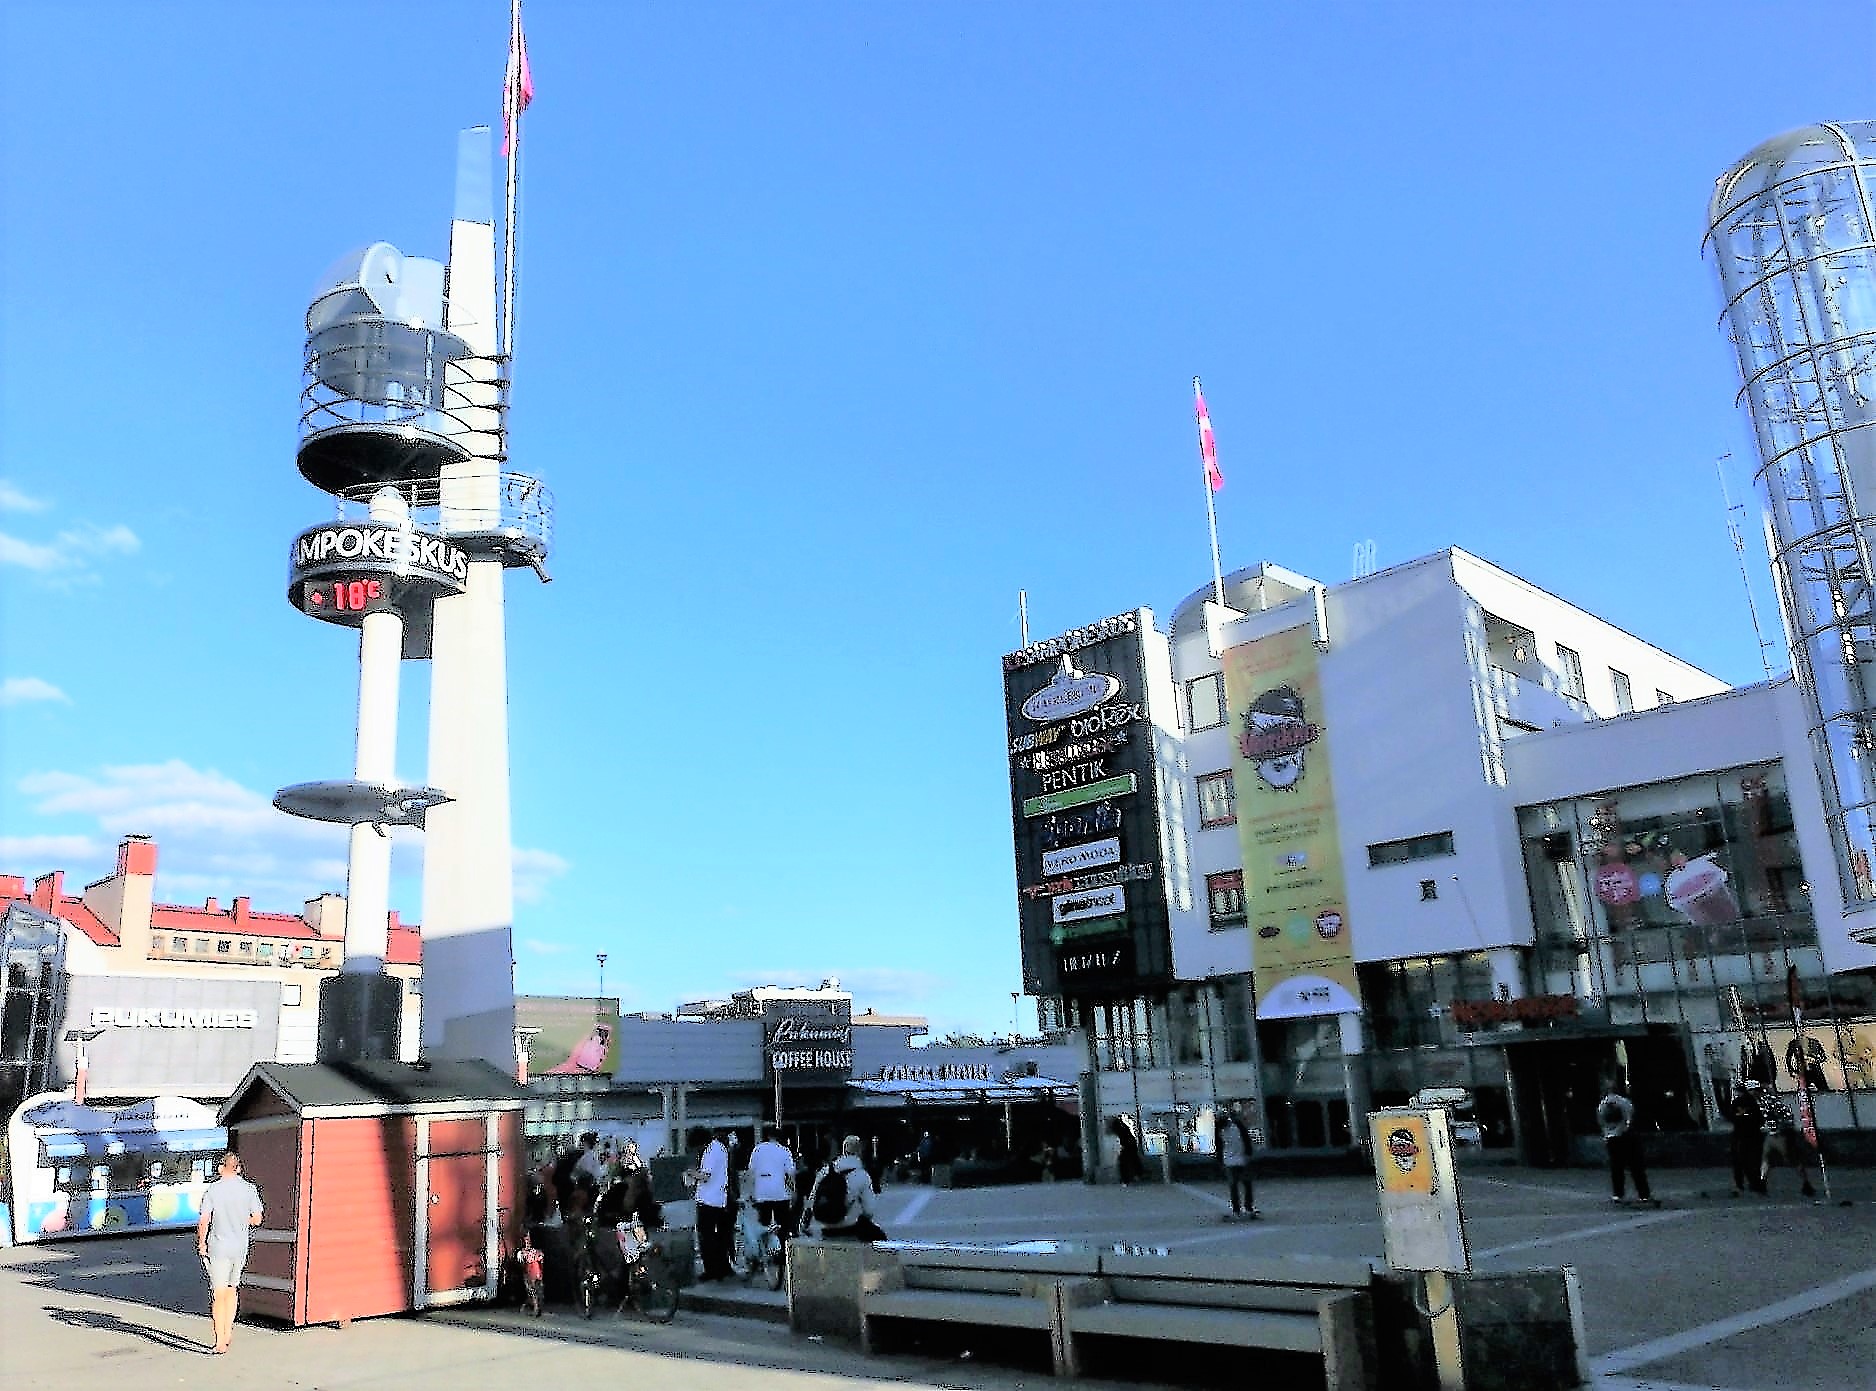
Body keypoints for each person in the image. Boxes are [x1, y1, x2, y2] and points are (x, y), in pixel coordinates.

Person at [195, 1149, 263, 1354]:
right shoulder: (249, 1189)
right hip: (240, 1247)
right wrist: (241, 1221)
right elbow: (257, 1219)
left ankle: (220, 1340)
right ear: (238, 1169)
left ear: (219, 1168)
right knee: (232, 1289)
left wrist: (201, 1243)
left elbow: (204, 1220)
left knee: (219, 1293)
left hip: (218, 1247)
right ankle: (228, 1330)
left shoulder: (213, 1190)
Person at [806, 1135, 886, 1242]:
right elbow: (869, 1210)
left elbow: (811, 1202)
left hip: (826, 1228)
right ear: (859, 1151)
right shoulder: (862, 1175)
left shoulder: (825, 1171)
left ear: (843, 1150)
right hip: (849, 1229)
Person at [1597, 1084, 1658, 1206]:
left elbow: (1601, 1122)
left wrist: (1607, 1133)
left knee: (1616, 1168)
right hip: (1626, 1137)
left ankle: (1618, 1194)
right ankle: (1644, 1194)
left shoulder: (1602, 1105)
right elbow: (1629, 1119)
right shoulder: (1624, 1102)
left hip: (1611, 1138)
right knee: (1636, 1167)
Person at [686, 1125, 733, 1281]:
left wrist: (691, 1173)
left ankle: (711, 1270)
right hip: (719, 1199)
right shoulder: (720, 1148)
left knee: (706, 1237)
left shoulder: (712, 1150)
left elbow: (706, 1176)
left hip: (708, 1200)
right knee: (719, 1236)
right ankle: (723, 1267)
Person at [1758, 1090, 1821, 1200]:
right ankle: (1762, 1183)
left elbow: (1787, 1118)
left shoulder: (1773, 1104)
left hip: (1781, 1135)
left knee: (1792, 1159)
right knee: (1766, 1158)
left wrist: (1780, 1127)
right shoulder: (1761, 1103)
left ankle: (1806, 1183)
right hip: (1771, 1134)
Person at [748, 1124, 796, 1244]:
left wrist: (751, 1191)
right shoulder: (785, 1151)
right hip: (780, 1192)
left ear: (768, 1136)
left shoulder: (757, 1149)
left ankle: (764, 1249)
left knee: (764, 1224)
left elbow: (751, 1172)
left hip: (762, 1192)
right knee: (783, 1224)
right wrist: (794, 1191)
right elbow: (790, 1174)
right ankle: (782, 1249)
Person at [1219, 1101, 1259, 1220]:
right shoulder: (1237, 1127)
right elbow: (1246, 1140)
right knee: (1246, 1184)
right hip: (1241, 1159)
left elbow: (1219, 1147)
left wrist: (1220, 1161)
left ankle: (1237, 1210)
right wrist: (1249, 1154)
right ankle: (1248, 1208)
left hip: (1229, 1161)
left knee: (1234, 1186)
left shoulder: (1221, 1131)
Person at [1729, 1080, 1768, 1197]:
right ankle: (1755, 1184)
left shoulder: (1737, 1102)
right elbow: (1760, 1120)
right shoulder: (1752, 1102)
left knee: (1740, 1161)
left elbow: (1732, 1117)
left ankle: (1740, 1183)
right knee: (1753, 1161)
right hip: (1752, 1135)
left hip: (1740, 1135)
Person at [1109, 1114, 1144, 1185]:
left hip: (1128, 1146)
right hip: (1130, 1145)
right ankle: (1137, 1175)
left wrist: (1122, 1147)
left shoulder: (1120, 1129)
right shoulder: (1123, 1127)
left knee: (1124, 1162)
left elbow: (1123, 1139)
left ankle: (1127, 1179)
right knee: (1133, 1160)